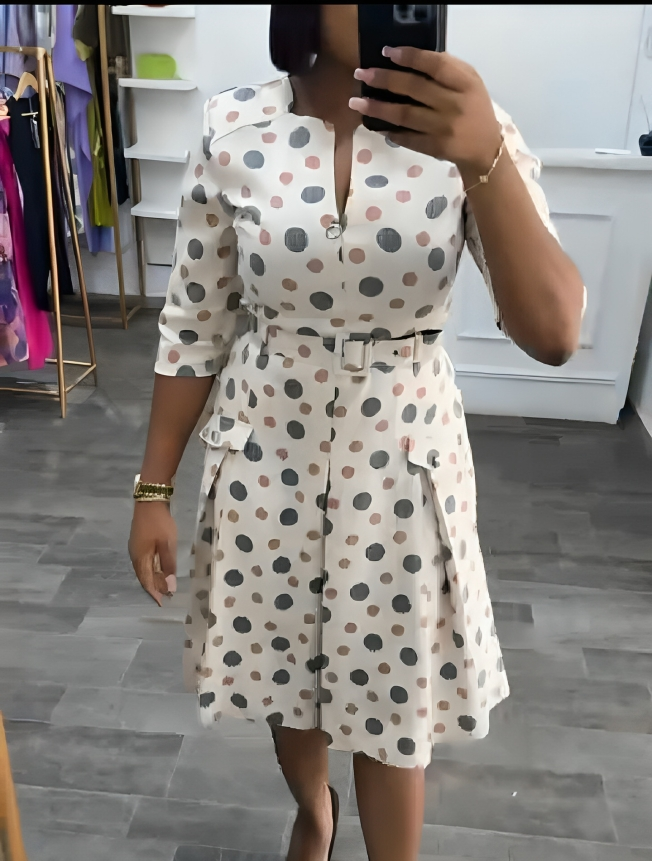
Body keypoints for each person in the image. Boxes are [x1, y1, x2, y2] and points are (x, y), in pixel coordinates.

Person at [128, 5, 586, 860]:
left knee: (391, 703)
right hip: (266, 453)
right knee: (284, 683)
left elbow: (555, 331)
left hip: (401, 467)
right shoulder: (234, 128)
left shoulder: (470, 128)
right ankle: (314, 810)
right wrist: (152, 488)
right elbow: (194, 323)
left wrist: (483, 156)